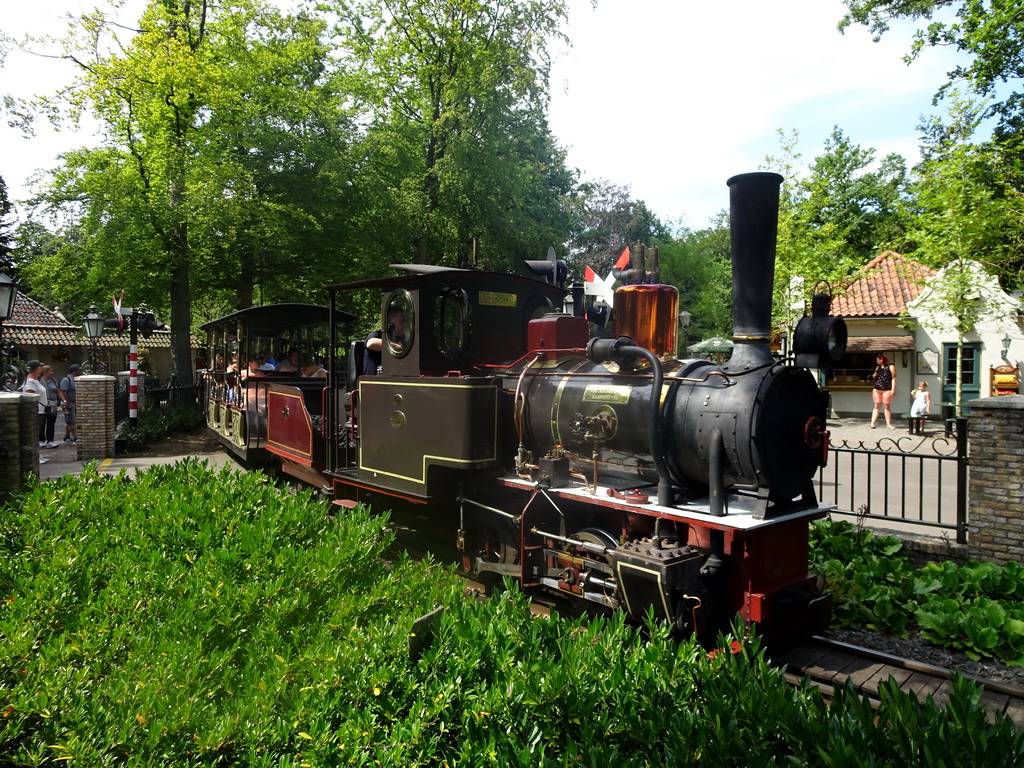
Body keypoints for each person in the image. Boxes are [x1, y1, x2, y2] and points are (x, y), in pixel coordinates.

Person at [20, 360, 50, 463]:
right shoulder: (30, 381)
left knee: (38, 434)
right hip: (37, 411)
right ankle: (35, 456)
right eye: (40, 367)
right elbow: (30, 395)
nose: (42, 369)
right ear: (37, 368)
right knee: (35, 434)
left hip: (42, 411)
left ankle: (38, 455)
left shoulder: (36, 380)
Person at [39, 365, 65, 448]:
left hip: (52, 404)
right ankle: (41, 440)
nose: (52, 373)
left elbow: (58, 391)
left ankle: (50, 440)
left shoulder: (53, 380)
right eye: (50, 371)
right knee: (42, 423)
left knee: (51, 422)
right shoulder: (39, 381)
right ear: (46, 372)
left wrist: (63, 400)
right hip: (43, 404)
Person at [870, 353, 897, 429]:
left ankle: (888, 424)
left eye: (877, 359)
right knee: (877, 406)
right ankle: (872, 423)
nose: (876, 361)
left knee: (887, 406)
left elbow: (893, 378)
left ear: (881, 359)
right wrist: (874, 375)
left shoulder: (891, 367)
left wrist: (893, 389)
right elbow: (874, 376)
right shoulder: (878, 367)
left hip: (887, 389)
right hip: (877, 389)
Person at [60, 364, 84, 442]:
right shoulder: (66, 380)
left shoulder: (75, 379)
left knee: (71, 419)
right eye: (79, 370)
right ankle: (76, 437)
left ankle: (66, 435)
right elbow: (64, 392)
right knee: (71, 421)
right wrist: (67, 403)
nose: (81, 372)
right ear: (74, 371)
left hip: (75, 402)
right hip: (69, 403)